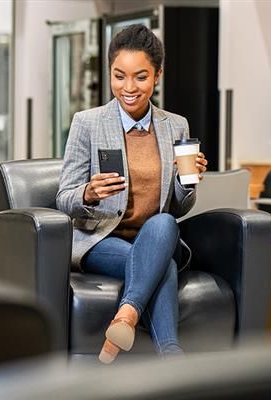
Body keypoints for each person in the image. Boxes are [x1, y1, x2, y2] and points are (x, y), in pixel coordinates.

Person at [56, 24, 208, 364]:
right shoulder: (88, 122)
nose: (128, 88)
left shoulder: (176, 126)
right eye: (119, 76)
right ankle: (171, 355)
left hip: (155, 234)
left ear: (157, 75)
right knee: (161, 267)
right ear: (109, 72)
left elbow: (181, 206)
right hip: (100, 239)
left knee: (165, 222)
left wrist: (189, 181)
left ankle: (126, 314)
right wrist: (89, 192)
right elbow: (64, 197)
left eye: (140, 77)